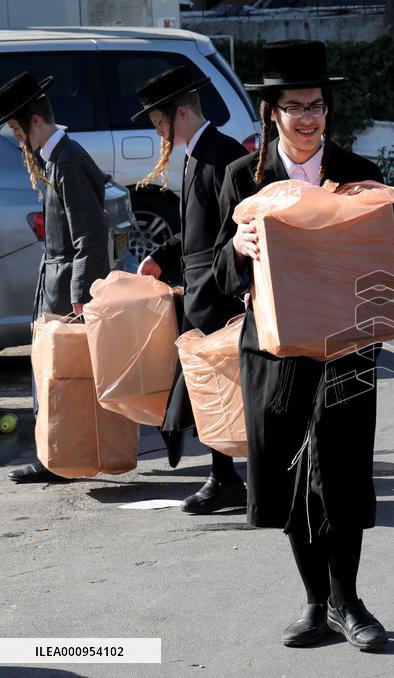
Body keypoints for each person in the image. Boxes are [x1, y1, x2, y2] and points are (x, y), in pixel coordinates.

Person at [212, 40, 389, 651]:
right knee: (291, 472)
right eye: (295, 106)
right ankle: (315, 601)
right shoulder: (244, 176)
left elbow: (379, 260)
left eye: (316, 105)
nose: (308, 117)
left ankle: (348, 600)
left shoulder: (361, 173)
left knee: (343, 471)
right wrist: (238, 249)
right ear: (273, 112)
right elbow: (213, 270)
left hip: (347, 345)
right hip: (274, 349)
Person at [132, 65, 249, 512]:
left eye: (158, 122)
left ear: (180, 113)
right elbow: (194, 227)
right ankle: (222, 475)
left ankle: (226, 478)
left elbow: (234, 231)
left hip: (220, 291)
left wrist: (233, 287)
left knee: (218, 387)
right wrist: (162, 257)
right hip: (198, 287)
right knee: (208, 386)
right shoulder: (194, 155)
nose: (158, 132)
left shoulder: (225, 155)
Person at [1, 72, 109, 484]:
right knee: (53, 374)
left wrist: (81, 292)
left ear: (35, 122)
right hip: (57, 279)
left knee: (61, 378)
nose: (18, 140)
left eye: (17, 131)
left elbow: (89, 235)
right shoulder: (59, 157)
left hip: (66, 286)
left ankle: (59, 460)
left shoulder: (67, 159)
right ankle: (56, 457)